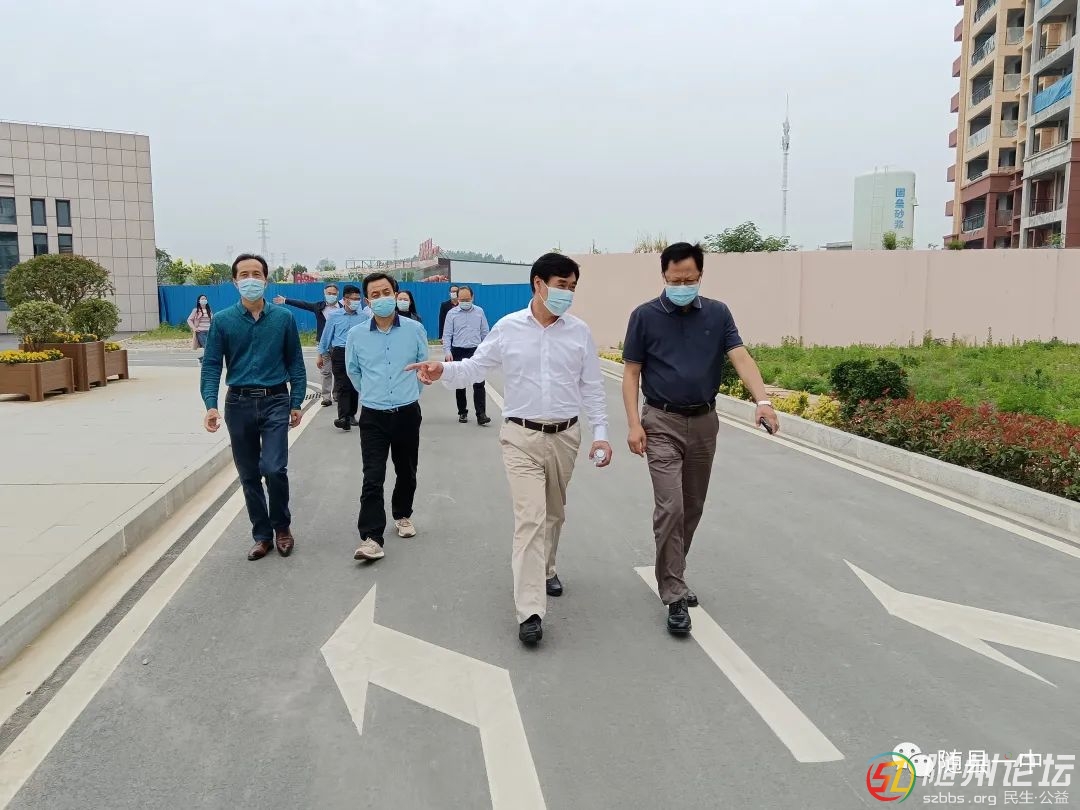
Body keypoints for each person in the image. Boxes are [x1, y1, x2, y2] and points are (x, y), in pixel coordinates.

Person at [408, 254, 612, 647]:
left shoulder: (579, 332)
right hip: (520, 436)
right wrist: (443, 369)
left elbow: (591, 386)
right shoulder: (508, 328)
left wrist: (601, 433)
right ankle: (530, 610)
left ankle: (546, 568)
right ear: (538, 284)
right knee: (531, 518)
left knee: (554, 513)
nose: (567, 293)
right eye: (561, 285)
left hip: (565, 436)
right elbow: (475, 367)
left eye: (572, 287)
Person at [620, 242, 780, 636]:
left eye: (689, 279)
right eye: (675, 280)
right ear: (663, 276)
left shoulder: (718, 313)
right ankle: (674, 593)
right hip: (661, 421)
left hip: (705, 421)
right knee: (671, 506)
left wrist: (762, 401)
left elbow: (740, 356)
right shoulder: (644, 316)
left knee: (692, 507)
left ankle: (673, 572)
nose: (682, 286)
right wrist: (634, 424)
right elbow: (631, 373)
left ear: (701, 276)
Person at [201, 254, 307, 561]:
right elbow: (211, 365)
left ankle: (282, 528)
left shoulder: (283, 318)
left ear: (266, 279)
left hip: (276, 400)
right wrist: (210, 405)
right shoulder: (223, 320)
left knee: (274, 468)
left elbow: (295, 362)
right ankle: (262, 535)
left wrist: (297, 401)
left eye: (256, 274)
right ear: (235, 281)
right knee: (248, 474)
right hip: (238, 403)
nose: (251, 279)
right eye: (244, 274)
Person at [346, 273, 429, 562]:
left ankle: (403, 514)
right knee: (373, 476)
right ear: (367, 301)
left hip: (407, 411)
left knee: (406, 470)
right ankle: (371, 537)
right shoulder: (356, 335)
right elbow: (354, 371)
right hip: (373, 415)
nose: (381, 298)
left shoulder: (415, 329)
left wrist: (409, 393)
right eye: (375, 294)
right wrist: (374, 393)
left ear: (395, 294)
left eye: (386, 292)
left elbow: (422, 367)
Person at [273, 284, 342, 407]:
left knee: (338, 371)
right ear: (324, 293)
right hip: (323, 344)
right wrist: (285, 300)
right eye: (329, 293)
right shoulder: (319, 306)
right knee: (325, 371)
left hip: (339, 344)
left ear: (338, 294)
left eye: (333, 293)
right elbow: (303, 304)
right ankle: (326, 397)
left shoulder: (343, 308)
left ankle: (337, 394)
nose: (331, 295)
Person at [317, 285, 368, 431]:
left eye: (358, 299)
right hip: (339, 352)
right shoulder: (334, 316)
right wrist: (320, 354)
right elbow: (326, 336)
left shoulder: (364, 317)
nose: (356, 302)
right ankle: (343, 417)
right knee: (342, 384)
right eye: (353, 299)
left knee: (353, 384)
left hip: (357, 353)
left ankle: (351, 415)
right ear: (345, 300)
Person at [441, 285, 491, 426]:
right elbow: (447, 334)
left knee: (479, 383)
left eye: (467, 299)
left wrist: (486, 350)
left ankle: (481, 414)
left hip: (475, 351)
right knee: (460, 383)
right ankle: (462, 411)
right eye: (462, 300)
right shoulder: (451, 313)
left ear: (472, 297)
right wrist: (447, 351)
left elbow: (485, 332)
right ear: (457, 299)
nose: (464, 302)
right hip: (458, 350)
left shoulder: (479, 312)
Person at [187, 294, 212, 363]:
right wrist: (194, 328)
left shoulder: (209, 310)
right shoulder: (196, 310)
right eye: (202, 299)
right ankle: (203, 360)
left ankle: (201, 359)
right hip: (201, 332)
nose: (204, 300)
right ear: (199, 301)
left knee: (210, 347)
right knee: (207, 347)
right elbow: (189, 320)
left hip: (209, 331)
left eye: (205, 299)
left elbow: (212, 320)